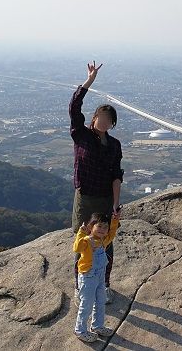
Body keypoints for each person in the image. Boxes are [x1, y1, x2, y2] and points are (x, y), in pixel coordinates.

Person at [70, 61, 124, 303]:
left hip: (104, 199)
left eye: (108, 120)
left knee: (106, 243)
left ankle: (104, 284)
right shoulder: (81, 135)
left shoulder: (114, 145)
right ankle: (80, 284)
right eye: (100, 117)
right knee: (83, 241)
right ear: (93, 118)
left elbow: (116, 175)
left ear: (112, 124)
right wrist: (89, 81)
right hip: (85, 198)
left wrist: (115, 204)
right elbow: (74, 107)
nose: (103, 122)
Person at [73, 211, 120, 343]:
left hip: (99, 276)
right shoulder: (87, 241)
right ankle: (80, 330)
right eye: (99, 226)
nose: (102, 229)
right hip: (88, 276)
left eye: (105, 227)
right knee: (86, 304)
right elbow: (76, 248)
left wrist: (115, 221)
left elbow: (112, 233)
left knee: (100, 301)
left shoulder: (103, 241)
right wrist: (81, 233)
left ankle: (97, 325)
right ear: (91, 227)